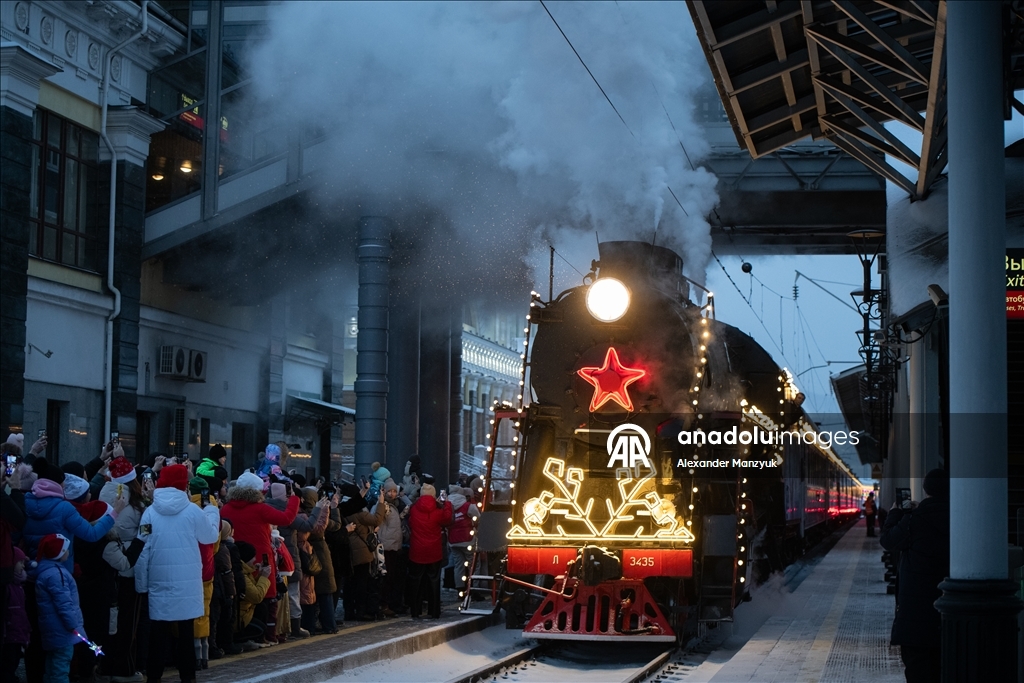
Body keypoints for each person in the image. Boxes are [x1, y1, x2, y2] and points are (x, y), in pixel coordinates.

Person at [134, 463, 221, 683]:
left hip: (158, 580)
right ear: (184, 484)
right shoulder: (193, 511)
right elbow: (209, 536)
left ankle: (154, 677)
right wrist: (211, 511)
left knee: (158, 633)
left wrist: (141, 584)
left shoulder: (150, 512)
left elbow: (143, 548)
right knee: (186, 632)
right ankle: (188, 677)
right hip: (188, 583)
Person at [879, 468, 949, 683]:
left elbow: (888, 540)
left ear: (925, 490)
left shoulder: (913, 520)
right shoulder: (963, 517)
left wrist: (894, 514)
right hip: (950, 612)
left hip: (916, 616)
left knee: (918, 670)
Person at [220, 471, 299, 643]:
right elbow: (286, 518)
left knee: (242, 598)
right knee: (265, 599)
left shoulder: (225, 508)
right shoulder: (260, 509)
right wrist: (293, 499)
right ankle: (264, 636)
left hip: (236, 558)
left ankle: (243, 634)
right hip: (261, 558)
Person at [31, 534, 84, 683]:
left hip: (52, 630)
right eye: (66, 549)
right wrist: (73, 625)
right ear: (59, 553)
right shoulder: (57, 574)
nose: (68, 552)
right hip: (63, 631)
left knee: (52, 666)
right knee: (61, 667)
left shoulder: (46, 571)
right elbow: (64, 604)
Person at [406, 484, 452, 620]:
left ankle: (415, 610)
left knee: (416, 581)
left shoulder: (414, 509)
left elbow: (410, 523)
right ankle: (434, 611)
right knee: (434, 581)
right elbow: (447, 519)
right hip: (433, 550)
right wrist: (447, 503)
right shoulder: (438, 510)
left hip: (417, 550)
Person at [373, 480, 408, 616]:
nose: (392, 494)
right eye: (390, 491)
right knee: (385, 577)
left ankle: (387, 603)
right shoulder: (384, 505)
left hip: (393, 544)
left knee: (391, 576)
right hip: (385, 545)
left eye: (394, 491)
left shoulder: (394, 506)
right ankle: (383, 604)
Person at [446, 485, 480, 593]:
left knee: (458, 565)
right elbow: (478, 517)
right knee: (473, 565)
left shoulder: (447, 506)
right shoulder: (468, 506)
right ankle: (473, 590)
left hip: (453, 540)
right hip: (467, 539)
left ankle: (460, 589)